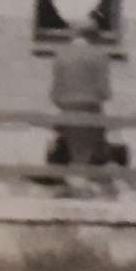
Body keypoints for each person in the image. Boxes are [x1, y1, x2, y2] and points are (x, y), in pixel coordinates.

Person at [49, 19, 112, 167]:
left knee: (68, 153)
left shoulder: (61, 55)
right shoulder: (100, 55)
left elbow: (55, 92)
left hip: (66, 110)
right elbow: (105, 92)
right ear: (93, 35)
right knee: (90, 155)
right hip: (90, 110)